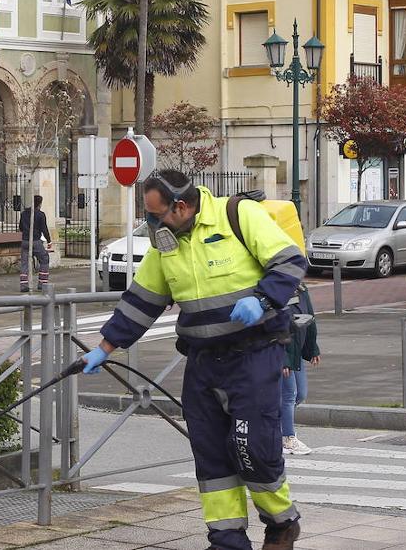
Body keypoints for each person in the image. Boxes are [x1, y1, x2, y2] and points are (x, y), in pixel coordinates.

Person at [82, 170, 308, 550]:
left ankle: (281, 522)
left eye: (156, 215)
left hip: (254, 354)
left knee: (252, 448)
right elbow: (142, 302)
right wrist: (103, 348)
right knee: (211, 454)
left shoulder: (238, 215)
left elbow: (290, 262)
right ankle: (227, 540)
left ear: (181, 206)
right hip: (203, 361)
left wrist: (264, 299)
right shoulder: (165, 245)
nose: (152, 224)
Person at [281, 285, 320, 456]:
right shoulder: (276, 291)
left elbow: (310, 319)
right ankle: (288, 438)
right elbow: (277, 328)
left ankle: (275, 427)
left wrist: (312, 349)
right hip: (282, 353)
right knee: (289, 395)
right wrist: (283, 360)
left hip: (296, 351)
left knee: (300, 394)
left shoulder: (302, 290)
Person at [18, 195, 53, 292]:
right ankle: (42, 283)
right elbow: (44, 229)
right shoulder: (40, 214)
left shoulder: (24, 213)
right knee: (44, 258)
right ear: (40, 203)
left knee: (24, 263)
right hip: (35, 241)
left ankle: (23, 285)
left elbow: (20, 227)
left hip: (25, 241)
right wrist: (49, 241)